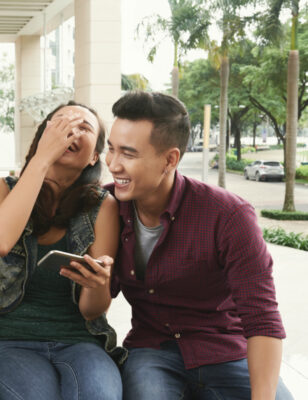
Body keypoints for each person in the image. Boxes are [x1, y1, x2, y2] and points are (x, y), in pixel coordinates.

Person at [104, 91, 293, 399]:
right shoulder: (105, 208)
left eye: (128, 154)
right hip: (151, 350)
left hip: (224, 349)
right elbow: (93, 300)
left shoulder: (228, 215)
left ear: (170, 159)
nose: (113, 165)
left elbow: (262, 319)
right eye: (110, 149)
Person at [0, 101, 127, 400]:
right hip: (11, 340)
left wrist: (97, 284)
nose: (71, 130)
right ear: (43, 137)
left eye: (84, 127)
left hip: (80, 340)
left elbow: (93, 310)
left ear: (93, 156)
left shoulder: (103, 206)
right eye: (61, 123)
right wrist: (42, 159)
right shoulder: (3, 188)